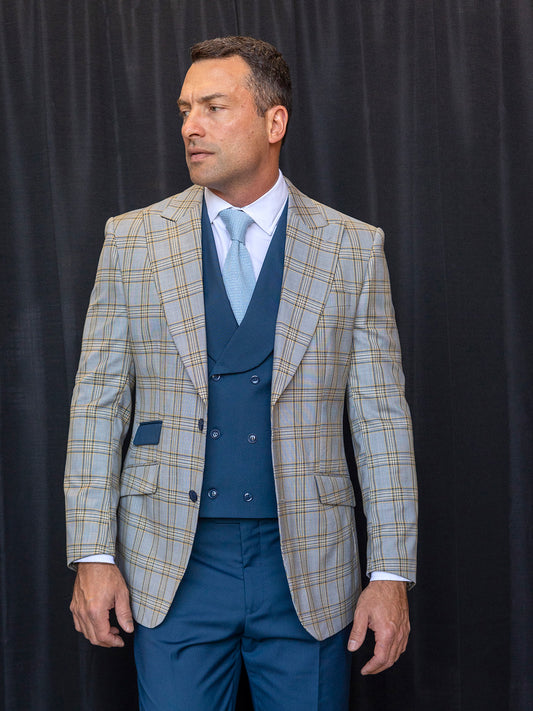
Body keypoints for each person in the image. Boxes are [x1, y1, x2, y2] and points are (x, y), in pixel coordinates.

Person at [65, 36, 417, 711]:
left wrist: (390, 569)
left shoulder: (352, 248)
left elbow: (380, 418)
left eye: (213, 107)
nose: (189, 127)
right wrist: (92, 551)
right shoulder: (132, 240)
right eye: (184, 109)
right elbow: (96, 402)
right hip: (170, 564)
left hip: (309, 567)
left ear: (273, 121)